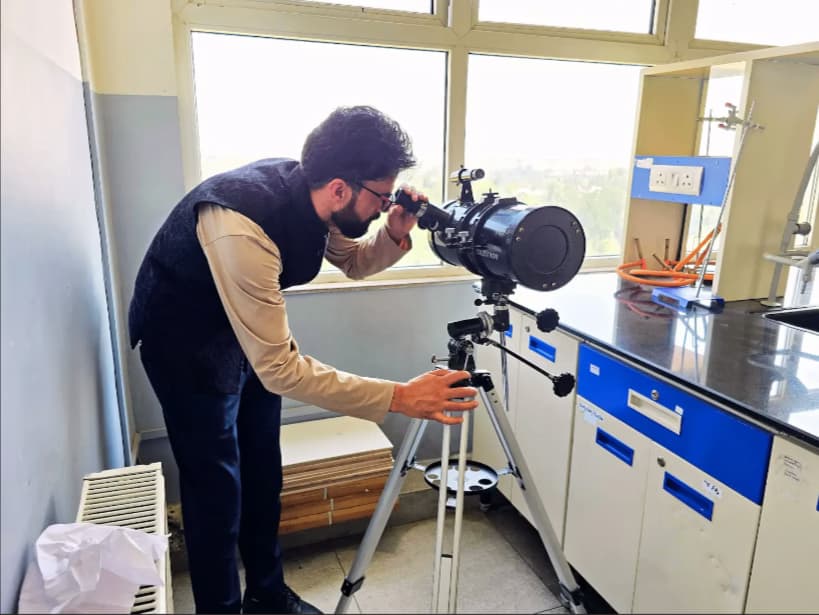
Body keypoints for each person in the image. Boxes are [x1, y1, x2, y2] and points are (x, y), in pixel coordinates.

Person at [128, 105, 479, 614]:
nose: (384, 206)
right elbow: (282, 370)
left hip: (243, 334)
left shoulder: (313, 194)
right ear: (340, 188)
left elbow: (353, 262)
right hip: (185, 344)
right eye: (381, 197)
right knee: (216, 493)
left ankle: (267, 595)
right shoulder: (241, 225)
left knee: (263, 474)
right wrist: (399, 397)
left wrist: (393, 231)